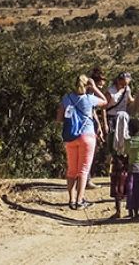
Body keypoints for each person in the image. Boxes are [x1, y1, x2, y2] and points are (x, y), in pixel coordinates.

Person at [56, 75, 107, 210]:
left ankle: (71, 200)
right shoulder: (89, 99)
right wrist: (95, 87)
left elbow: (59, 118)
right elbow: (105, 101)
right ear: (87, 85)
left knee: (72, 170)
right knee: (83, 170)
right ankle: (80, 200)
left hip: (70, 136)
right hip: (87, 136)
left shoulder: (66, 98)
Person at [85, 67, 108, 190]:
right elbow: (103, 102)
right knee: (89, 152)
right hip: (87, 125)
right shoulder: (90, 92)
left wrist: (99, 124)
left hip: (89, 123)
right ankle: (86, 179)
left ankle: (86, 178)